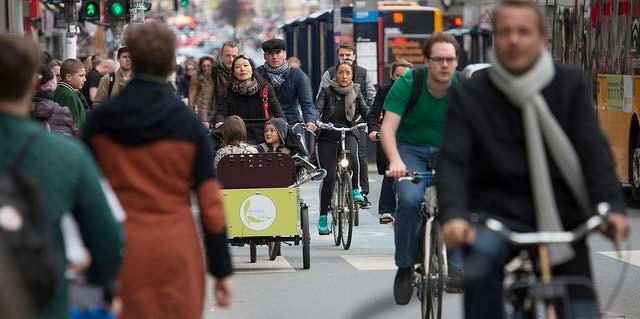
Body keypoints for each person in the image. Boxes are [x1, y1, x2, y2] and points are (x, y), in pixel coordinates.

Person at [434, 1, 630, 318]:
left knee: (581, 310)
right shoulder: (471, 94)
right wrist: (454, 214)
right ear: (494, 38)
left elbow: (593, 150)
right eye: (505, 32)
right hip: (496, 218)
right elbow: (453, 159)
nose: (514, 40)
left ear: (542, 40)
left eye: (523, 32)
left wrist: (612, 207)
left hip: (562, 219)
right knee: (481, 269)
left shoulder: (568, 84)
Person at [83, 22, 233, 319]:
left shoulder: (101, 121)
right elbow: (210, 203)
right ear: (171, 62)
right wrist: (221, 270)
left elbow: (85, 195)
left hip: (119, 248)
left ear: (132, 58)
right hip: (176, 247)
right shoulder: (188, 125)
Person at [0, 33, 123, 319]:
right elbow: (107, 240)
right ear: (33, 82)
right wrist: (100, 290)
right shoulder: (67, 155)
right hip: (43, 302)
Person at [381, 32, 460, 305]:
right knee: (411, 199)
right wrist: (395, 161)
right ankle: (405, 266)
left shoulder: (462, 88)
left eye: (450, 59)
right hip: (410, 148)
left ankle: (457, 265)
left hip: (448, 149)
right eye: (438, 59)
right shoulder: (408, 83)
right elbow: (388, 128)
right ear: (426, 61)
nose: (445, 65)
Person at [318, 42, 376, 208]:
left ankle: (361, 192)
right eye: (342, 55)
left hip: (355, 123)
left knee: (359, 156)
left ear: (354, 57)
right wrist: (317, 120)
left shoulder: (363, 74)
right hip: (332, 126)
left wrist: (370, 120)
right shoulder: (329, 74)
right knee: (330, 170)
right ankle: (328, 202)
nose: (345, 58)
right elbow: (320, 99)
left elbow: (370, 97)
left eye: (348, 55)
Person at [316, 60, 368, 235]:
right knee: (329, 176)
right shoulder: (326, 90)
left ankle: (355, 189)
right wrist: (315, 122)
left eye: (347, 73)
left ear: (352, 75)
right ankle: (323, 216)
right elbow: (318, 108)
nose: (344, 76)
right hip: (328, 135)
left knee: (353, 155)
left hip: (349, 132)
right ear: (335, 75)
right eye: (340, 73)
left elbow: (365, 110)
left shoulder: (357, 90)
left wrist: (373, 124)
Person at [368, 59, 413, 224]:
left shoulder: (417, 92)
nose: (402, 80)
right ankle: (386, 210)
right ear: (392, 76)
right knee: (391, 169)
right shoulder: (384, 92)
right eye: (398, 76)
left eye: (407, 76)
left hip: (412, 138)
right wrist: (373, 130)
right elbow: (373, 113)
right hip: (391, 137)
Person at [214, 55, 284, 144]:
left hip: (262, 136)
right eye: (237, 67)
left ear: (252, 69)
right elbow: (221, 111)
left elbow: (277, 109)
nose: (242, 69)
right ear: (234, 73)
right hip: (236, 136)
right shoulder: (227, 90)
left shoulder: (265, 88)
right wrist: (220, 122)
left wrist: (282, 122)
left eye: (246, 65)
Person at [256, 39, 317, 136]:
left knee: (299, 149)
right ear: (265, 56)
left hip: (291, 123)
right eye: (270, 53)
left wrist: (310, 121)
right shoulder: (257, 74)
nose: (274, 56)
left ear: (284, 54)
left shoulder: (297, 74)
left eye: (277, 52)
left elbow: (307, 103)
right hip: (264, 124)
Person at [198, 41, 240, 128]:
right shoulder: (213, 70)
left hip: (240, 114)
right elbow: (206, 96)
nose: (231, 59)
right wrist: (203, 119)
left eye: (234, 56)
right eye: (228, 55)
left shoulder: (244, 69)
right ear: (221, 56)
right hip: (219, 114)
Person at [31, 64, 80, 137]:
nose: (60, 79)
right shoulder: (62, 112)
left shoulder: (14, 112)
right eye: (57, 76)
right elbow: (75, 137)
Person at [53, 59, 89, 130]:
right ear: (68, 77)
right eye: (81, 76)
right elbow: (74, 125)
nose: (85, 79)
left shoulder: (66, 91)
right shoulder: (68, 95)